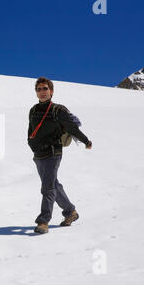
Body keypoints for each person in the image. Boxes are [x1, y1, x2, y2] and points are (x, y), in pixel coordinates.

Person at [27, 77, 92, 234]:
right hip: (38, 153)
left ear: (51, 91)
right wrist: (31, 144)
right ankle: (70, 212)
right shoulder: (34, 110)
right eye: (39, 89)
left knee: (48, 188)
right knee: (53, 185)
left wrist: (86, 141)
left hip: (53, 152)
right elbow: (30, 131)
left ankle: (43, 221)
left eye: (45, 89)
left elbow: (72, 128)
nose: (42, 92)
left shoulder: (58, 110)